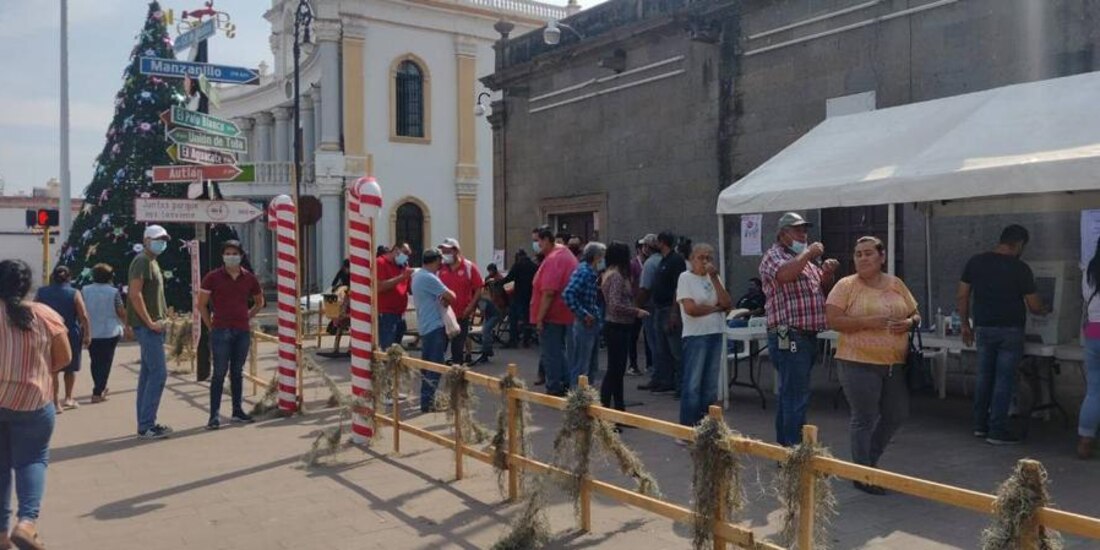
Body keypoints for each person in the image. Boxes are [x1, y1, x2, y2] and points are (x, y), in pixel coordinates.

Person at [825, 237, 919, 494]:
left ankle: (869, 462)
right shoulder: (846, 286)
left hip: (893, 364)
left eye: (868, 253)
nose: (863, 258)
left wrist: (909, 323)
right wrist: (868, 322)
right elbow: (833, 320)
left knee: (897, 413)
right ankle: (863, 473)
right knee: (864, 417)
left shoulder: (896, 284)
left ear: (882, 257)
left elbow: (915, 313)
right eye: (858, 254)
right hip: (857, 361)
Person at [0, 260, 72, 550]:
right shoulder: (44, 315)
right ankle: (27, 523)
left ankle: (1, 536)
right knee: (32, 459)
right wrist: (40, 370)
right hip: (33, 402)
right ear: (27, 285)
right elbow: (65, 357)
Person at [957, 224, 1047, 446]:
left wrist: (964, 325)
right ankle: (997, 430)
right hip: (1010, 330)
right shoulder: (1020, 268)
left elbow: (962, 295)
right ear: (1019, 244)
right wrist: (1046, 309)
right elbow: (1034, 306)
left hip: (983, 328)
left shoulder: (975, 262)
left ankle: (980, 425)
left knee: (984, 376)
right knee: (1004, 380)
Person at [760, 212, 839, 447]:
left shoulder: (805, 261)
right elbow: (784, 275)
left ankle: (788, 449)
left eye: (805, 230)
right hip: (788, 332)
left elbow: (823, 289)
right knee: (795, 396)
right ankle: (795, 451)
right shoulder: (774, 256)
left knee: (792, 394)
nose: (803, 235)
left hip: (806, 334)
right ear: (783, 234)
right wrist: (808, 253)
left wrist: (826, 273)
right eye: (798, 230)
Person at [198, 241, 264, 430]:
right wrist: (210, 325)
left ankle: (237, 410)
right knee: (218, 373)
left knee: (237, 371)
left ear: (241, 255)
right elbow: (201, 304)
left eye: (234, 253)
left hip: (241, 331)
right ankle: (214, 415)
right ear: (222, 256)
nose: (231, 256)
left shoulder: (249, 278)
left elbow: (259, 302)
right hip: (220, 330)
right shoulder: (213, 277)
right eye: (227, 253)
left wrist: (247, 316)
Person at [676, 244, 731, 429]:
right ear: (692, 259)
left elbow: (727, 303)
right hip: (695, 335)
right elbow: (691, 309)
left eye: (708, 258)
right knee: (693, 383)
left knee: (710, 384)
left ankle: (706, 426)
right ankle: (688, 426)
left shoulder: (713, 277)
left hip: (714, 332)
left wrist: (715, 277)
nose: (705, 262)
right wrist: (715, 308)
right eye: (701, 258)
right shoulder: (685, 278)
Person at [128, 225, 173, 440]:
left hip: (153, 325)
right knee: (158, 374)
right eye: (157, 239)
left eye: (164, 239)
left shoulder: (151, 261)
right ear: (146, 240)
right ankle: (147, 425)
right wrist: (149, 322)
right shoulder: (142, 261)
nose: (161, 243)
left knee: (147, 375)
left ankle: (144, 423)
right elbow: (135, 295)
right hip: (149, 327)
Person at [601, 242, 649, 422]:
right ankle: (608, 411)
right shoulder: (616, 277)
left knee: (616, 371)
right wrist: (636, 311)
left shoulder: (611, 274)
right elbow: (615, 305)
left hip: (617, 326)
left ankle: (618, 411)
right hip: (617, 326)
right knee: (615, 371)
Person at [34, 266, 90, 412]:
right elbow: (83, 315)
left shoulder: (42, 292)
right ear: (69, 277)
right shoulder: (74, 293)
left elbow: (34, 311)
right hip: (70, 332)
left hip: (48, 333)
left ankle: (54, 402)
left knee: (53, 369)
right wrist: (87, 334)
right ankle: (68, 398)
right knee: (70, 368)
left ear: (53, 277)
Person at [531, 225, 579, 396]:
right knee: (558, 351)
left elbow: (549, 292)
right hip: (563, 313)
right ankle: (564, 381)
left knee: (550, 352)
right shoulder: (563, 254)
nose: (535, 245)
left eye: (537, 241)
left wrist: (539, 318)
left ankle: (554, 386)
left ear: (546, 240)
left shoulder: (554, 258)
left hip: (553, 315)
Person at [411, 249, 456, 412]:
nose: (441, 264)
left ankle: (426, 399)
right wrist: (446, 297)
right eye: (439, 261)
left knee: (427, 365)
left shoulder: (417, 276)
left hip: (425, 326)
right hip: (434, 326)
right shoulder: (429, 278)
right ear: (434, 261)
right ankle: (428, 402)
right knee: (435, 366)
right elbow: (451, 296)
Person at [81, 264, 131, 404]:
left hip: (91, 331)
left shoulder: (85, 290)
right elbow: (121, 311)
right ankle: (98, 391)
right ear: (110, 277)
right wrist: (128, 326)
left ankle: (99, 386)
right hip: (110, 332)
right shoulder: (113, 292)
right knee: (106, 362)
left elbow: (81, 309)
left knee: (95, 361)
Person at [563, 242, 607, 387]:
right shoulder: (584, 272)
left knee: (591, 364)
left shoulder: (591, 273)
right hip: (584, 324)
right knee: (582, 365)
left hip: (591, 323)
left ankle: (586, 395)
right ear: (596, 257)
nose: (603, 260)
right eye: (602, 256)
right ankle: (578, 396)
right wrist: (584, 314)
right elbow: (568, 294)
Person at [650, 232, 688, 395]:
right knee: (662, 348)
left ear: (662, 242)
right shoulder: (663, 260)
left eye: (657, 241)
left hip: (669, 309)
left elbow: (677, 287)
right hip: (659, 308)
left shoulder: (675, 261)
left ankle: (682, 385)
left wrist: (674, 312)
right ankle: (667, 380)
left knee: (676, 350)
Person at [438, 238, 484, 365]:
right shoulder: (441, 268)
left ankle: (457, 375)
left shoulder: (469, 267)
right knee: (440, 346)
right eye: (442, 251)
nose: (444, 255)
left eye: (446, 251)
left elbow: (479, 288)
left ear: (456, 251)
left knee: (457, 348)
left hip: (461, 315)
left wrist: (470, 307)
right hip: (443, 315)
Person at [1078, 236, 1100, 459]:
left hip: (1094, 330)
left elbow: (1086, 298)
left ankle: (1085, 440)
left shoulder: (1089, 270)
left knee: (1094, 390)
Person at [636, 234, 663, 390]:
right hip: (661, 306)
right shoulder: (663, 260)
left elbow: (645, 288)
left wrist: (637, 305)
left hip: (650, 307)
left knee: (654, 343)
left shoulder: (650, 264)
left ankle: (657, 376)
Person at [378, 243, 413, 350]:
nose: (406, 256)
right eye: (405, 253)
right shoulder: (381, 262)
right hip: (387, 313)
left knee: (396, 349)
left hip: (400, 313)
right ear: (396, 250)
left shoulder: (403, 265)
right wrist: (402, 277)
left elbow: (409, 288)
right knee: (388, 348)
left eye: (408, 254)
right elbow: (380, 286)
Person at [499, 250, 536, 349]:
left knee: (513, 318)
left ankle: (513, 340)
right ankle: (526, 340)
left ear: (518, 257)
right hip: (530, 295)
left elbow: (510, 277)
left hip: (519, 295)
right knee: (527, 319)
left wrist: (499, 283)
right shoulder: (534, 266)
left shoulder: (518, 265)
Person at [473, 264, 506, 364]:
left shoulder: (482, 299)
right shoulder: (482, 294)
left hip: (495, 314)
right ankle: (487, 350)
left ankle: (486, 353)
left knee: (485, 331)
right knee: (486, 331)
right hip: (492, 314)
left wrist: (473, 316)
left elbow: (481, 313)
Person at [627, 240, 648, 377]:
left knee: (648, 337)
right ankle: (632, 364)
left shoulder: (650, 263)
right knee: (633, 336)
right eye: (642, 247)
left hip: (647, 304)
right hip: (636, 303)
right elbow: (630, 282)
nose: (645, 249)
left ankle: (649, 364)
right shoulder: (633, 264)